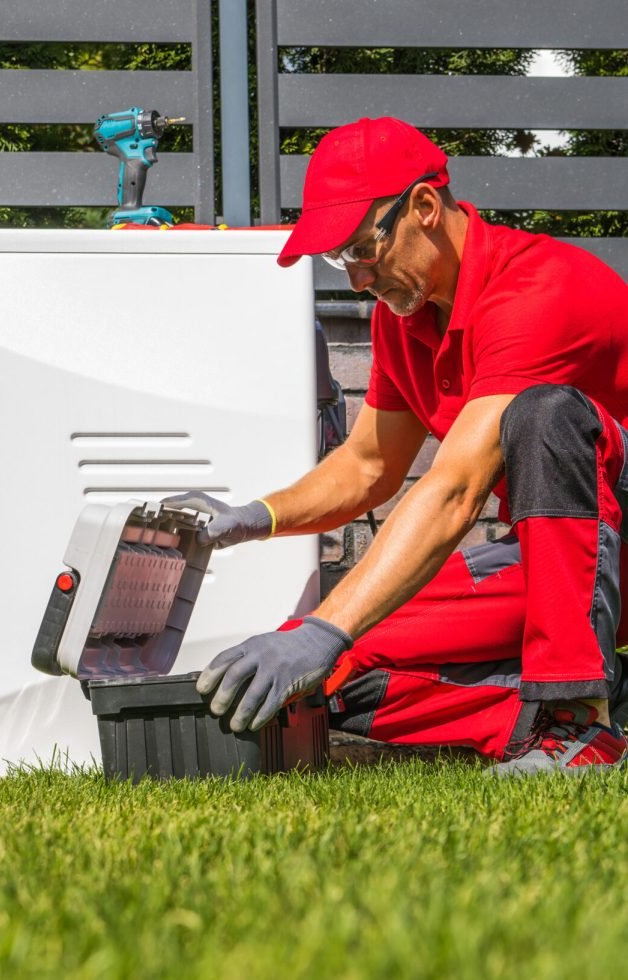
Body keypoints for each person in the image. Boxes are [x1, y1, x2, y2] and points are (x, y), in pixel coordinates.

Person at [166, 116, 628, 776]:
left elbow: (456, 489)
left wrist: (326, 626)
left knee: (542, 415)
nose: (355, 280)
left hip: (607, 537)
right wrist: (258, 517)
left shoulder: (537, 290)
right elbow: (368, 465)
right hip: (566, 564)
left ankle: (578, 724)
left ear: (425, 207)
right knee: (334, 675)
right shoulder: (403, 321)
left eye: (361, 250)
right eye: (339, 259)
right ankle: (594, 706)